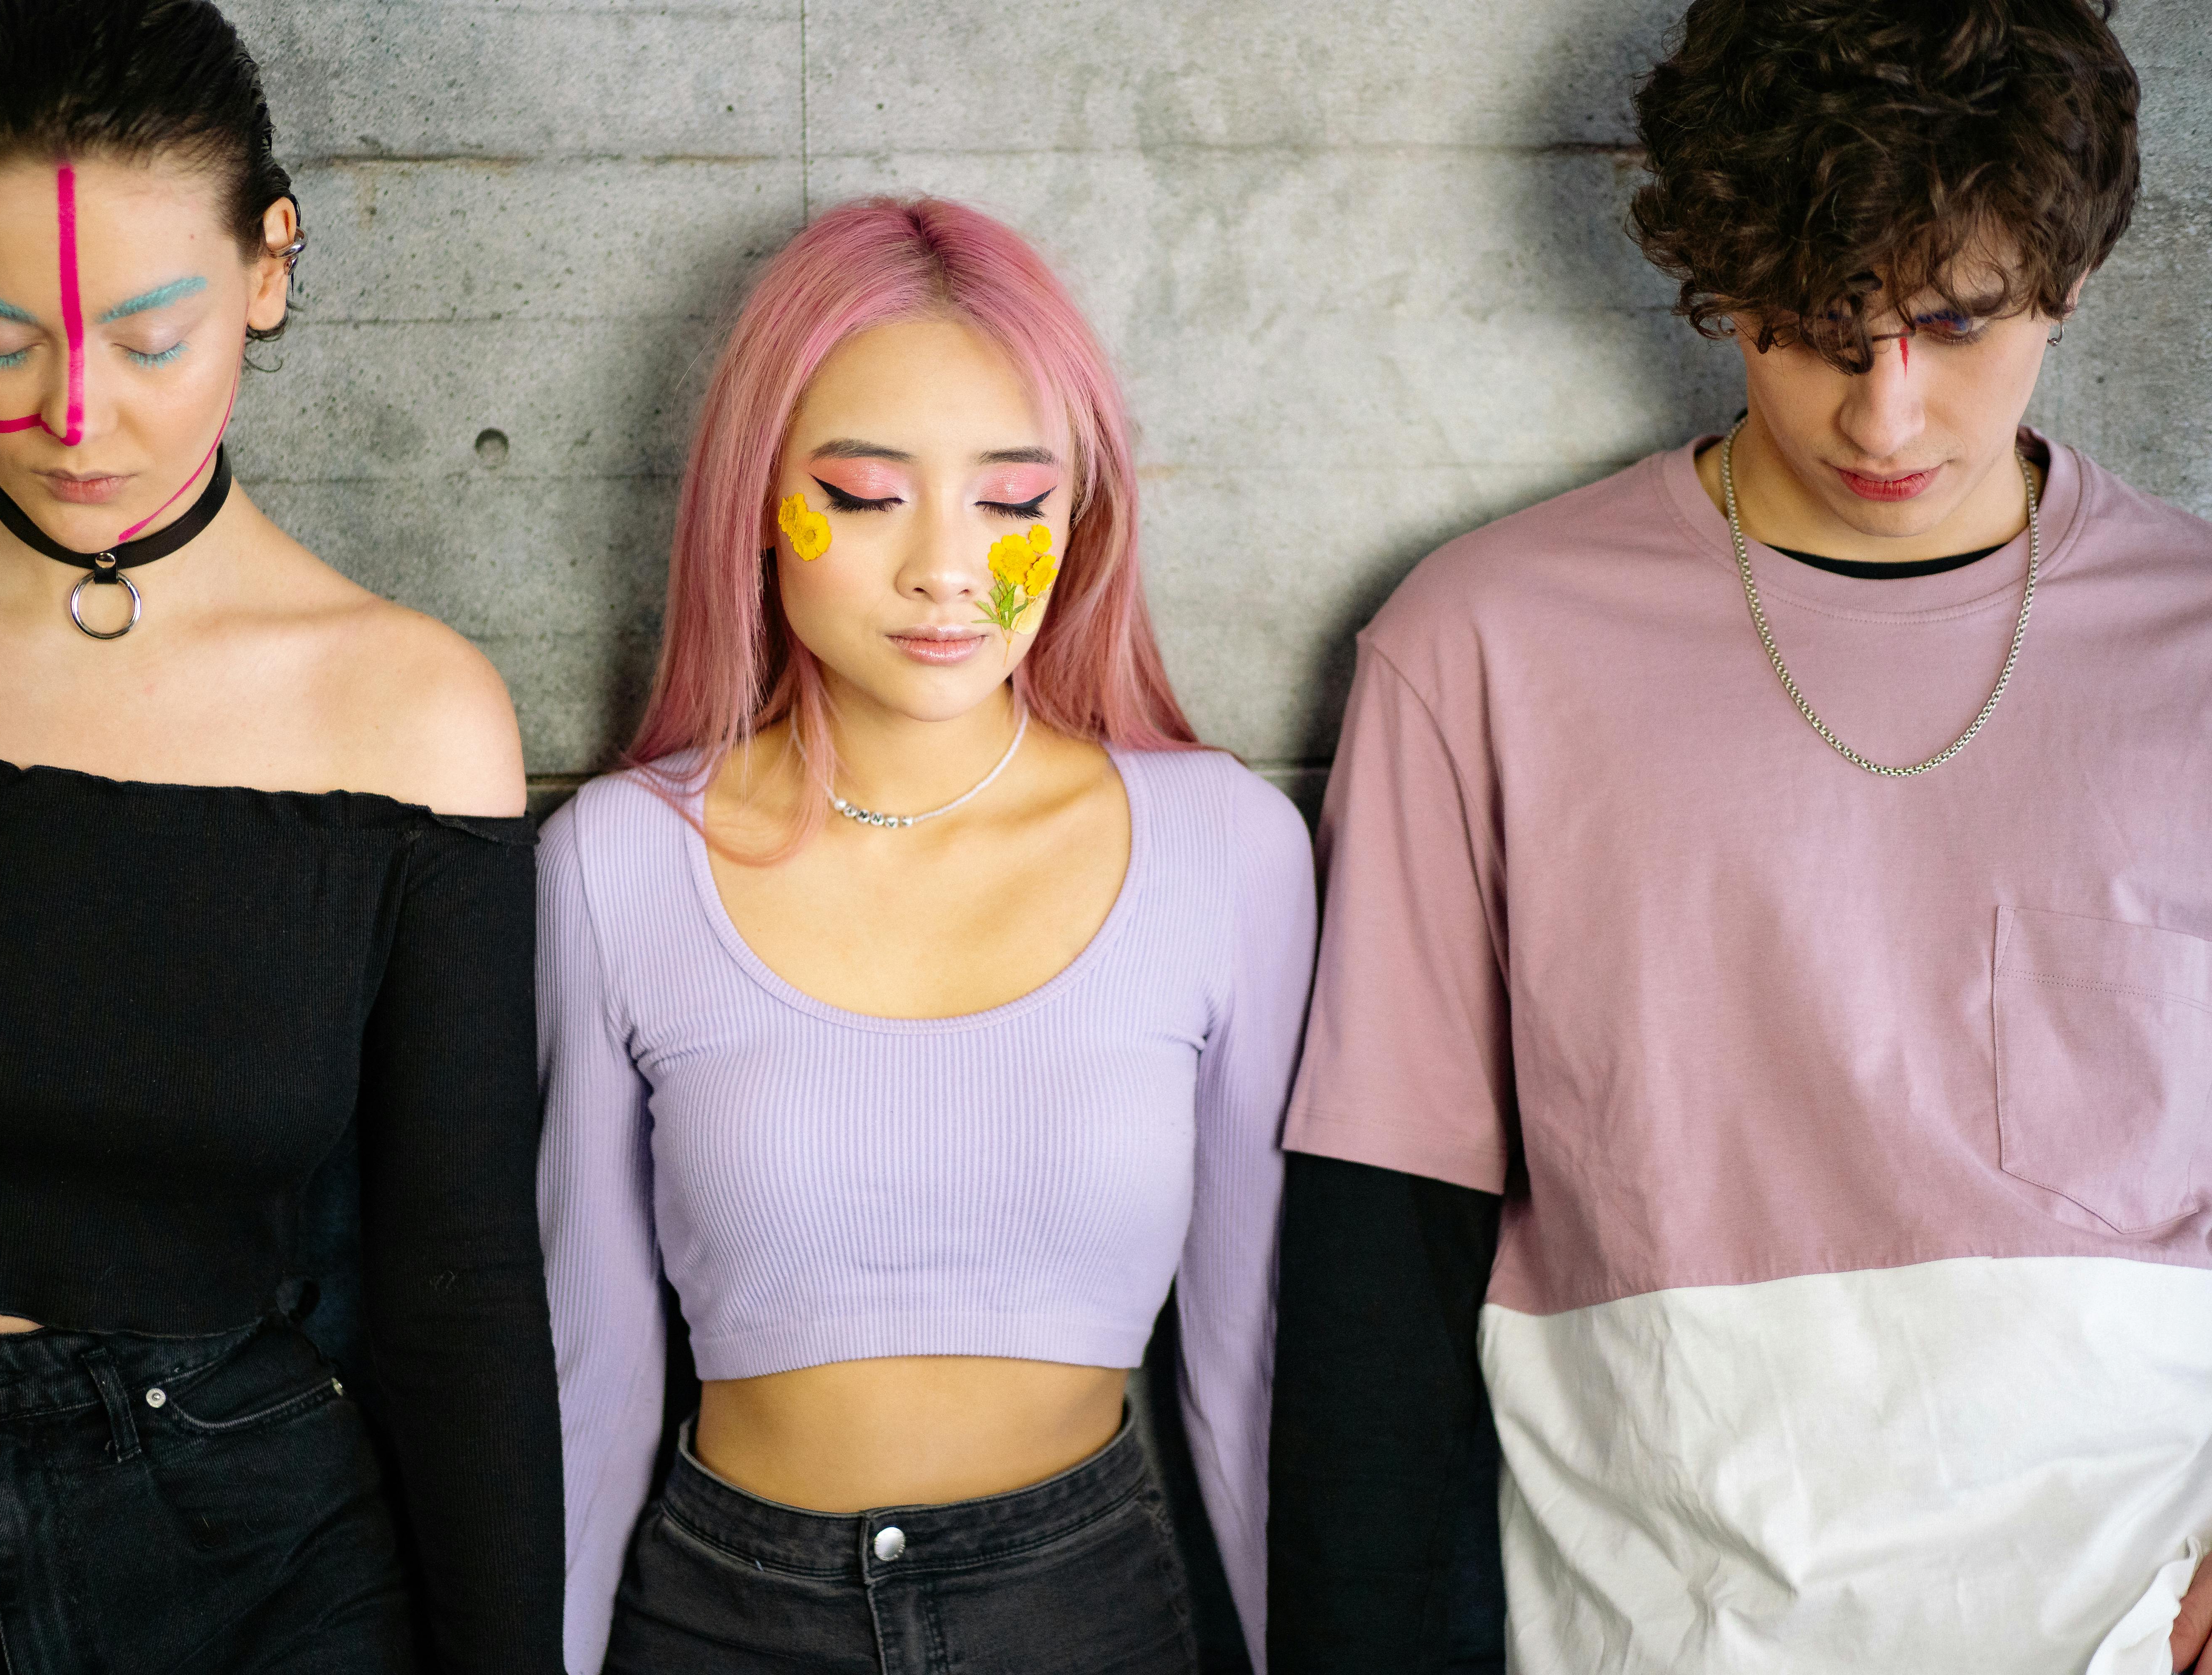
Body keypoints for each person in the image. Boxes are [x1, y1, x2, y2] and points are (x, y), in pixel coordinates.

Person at [1269, 2, 2212, 1670]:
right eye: (1812, 330)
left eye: (1956, 322)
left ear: (2069, 277)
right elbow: (1379, 1276)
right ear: (1721, 288)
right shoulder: (1486, 647)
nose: (1888, 413)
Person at [0, 3, 561, 1670]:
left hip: (258, 1559)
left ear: (270, 264)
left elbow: (458, 1289)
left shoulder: (410, 713)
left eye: (150, 340)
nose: (75, 416)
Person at [536, 196, 1313, 1675]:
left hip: (1087, 1610)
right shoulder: (619, 863)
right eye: (870, 493)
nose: (947, 570)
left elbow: (1253, 1363)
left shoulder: (1227, 852)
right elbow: (591, 1370)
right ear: (757, 495)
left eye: (1014, 500)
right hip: (721, 1614)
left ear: (1080, 516)